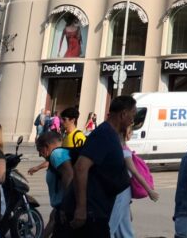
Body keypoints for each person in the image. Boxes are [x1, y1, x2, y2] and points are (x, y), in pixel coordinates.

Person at [64, 95, 135, 238]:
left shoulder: (111, 134)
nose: (132, 121)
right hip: (92, 213)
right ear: (123, 114)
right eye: (132, 116)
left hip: (100, 210)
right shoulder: (104, 134)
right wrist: (81, 208)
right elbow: (80, 167)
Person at [113, 124, 157, 237]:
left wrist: (149, 190)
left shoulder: (123, 152)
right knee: (123, 227)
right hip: (122, 193)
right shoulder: (124, 151)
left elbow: (135, 172)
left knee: (113, 226)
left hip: (120, 193)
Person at [36, 130, 73, 238]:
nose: (39, 154)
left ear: (46, 146)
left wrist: (64, 207)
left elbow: (69, 175)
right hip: (61, 209)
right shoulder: (60, 154)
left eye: (39, 150)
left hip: (66, 210)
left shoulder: (56, 154)